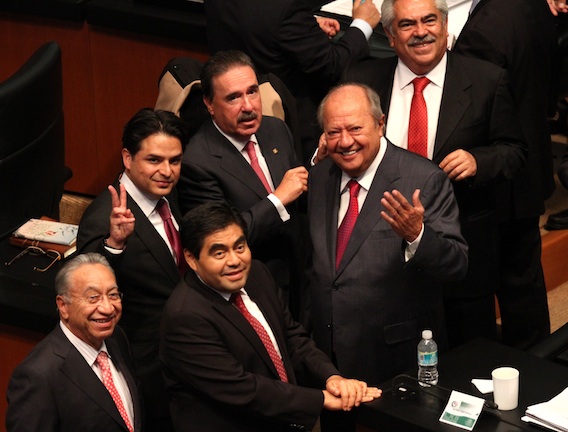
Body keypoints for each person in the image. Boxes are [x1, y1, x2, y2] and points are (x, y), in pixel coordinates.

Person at [345, 0, 527, 348]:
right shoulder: (361, 81)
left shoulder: (486, 80)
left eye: (429, 20)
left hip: (461, 255)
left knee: (469, 365)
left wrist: (479, 161)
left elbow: (515, 151)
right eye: (407, 24)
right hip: (382, 256)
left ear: (445, 27)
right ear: (390, 35)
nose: (421, 32)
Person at [309, 83, 468, 430]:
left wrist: (417, 236)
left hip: (393, 359)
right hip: (330, 360)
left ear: (380, 124)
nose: (345, 141)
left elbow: (457, 263)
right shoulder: (320, 176)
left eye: (355, 128)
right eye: (334, 132)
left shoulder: (423, 179)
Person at [159, 201, 381, 432]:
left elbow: (293, 339)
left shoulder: (257, 274)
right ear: (192, 259)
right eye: (219, 253)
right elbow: (241, 388)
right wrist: (321, 399)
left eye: (240, 247)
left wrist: (331, 377)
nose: (234, 261)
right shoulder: (185, 316)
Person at [453, 0, 558, 348]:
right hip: (530, 161)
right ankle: (537, 365)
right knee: (525, 286)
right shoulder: (531, 5)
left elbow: (474, 110)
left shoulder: (482, 30)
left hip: (497, 178)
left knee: (491, 290)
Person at [77, 108, 189, 431]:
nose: (167, 171)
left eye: (175, 161)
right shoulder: (104, 217)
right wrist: (114, 244)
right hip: (146, 373)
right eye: (154, 160)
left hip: (181, 360)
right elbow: (85, 292)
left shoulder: (169, 196)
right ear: (127, 158)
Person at [178, 51, 309, 321]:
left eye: (252, 92)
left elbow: (299, 196)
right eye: (233, 97)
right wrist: (277, 200)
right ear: (209, 104)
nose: (248, 106)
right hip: (250, 290)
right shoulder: (197, 161)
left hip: (300, 279)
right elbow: (218, 239)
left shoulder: (276, 130)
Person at [204, 0, 381, 164]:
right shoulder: (285, 8)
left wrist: (302, 29)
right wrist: (362, 24)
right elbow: (332, 67)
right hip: (294, 127)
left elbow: (252, 21)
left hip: (235, 121)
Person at [6, 253, 142, 432]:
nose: (108, 308)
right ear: (63, 306)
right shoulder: (38, 375)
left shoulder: (116, 338)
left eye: (113, 295)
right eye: (93, 297)